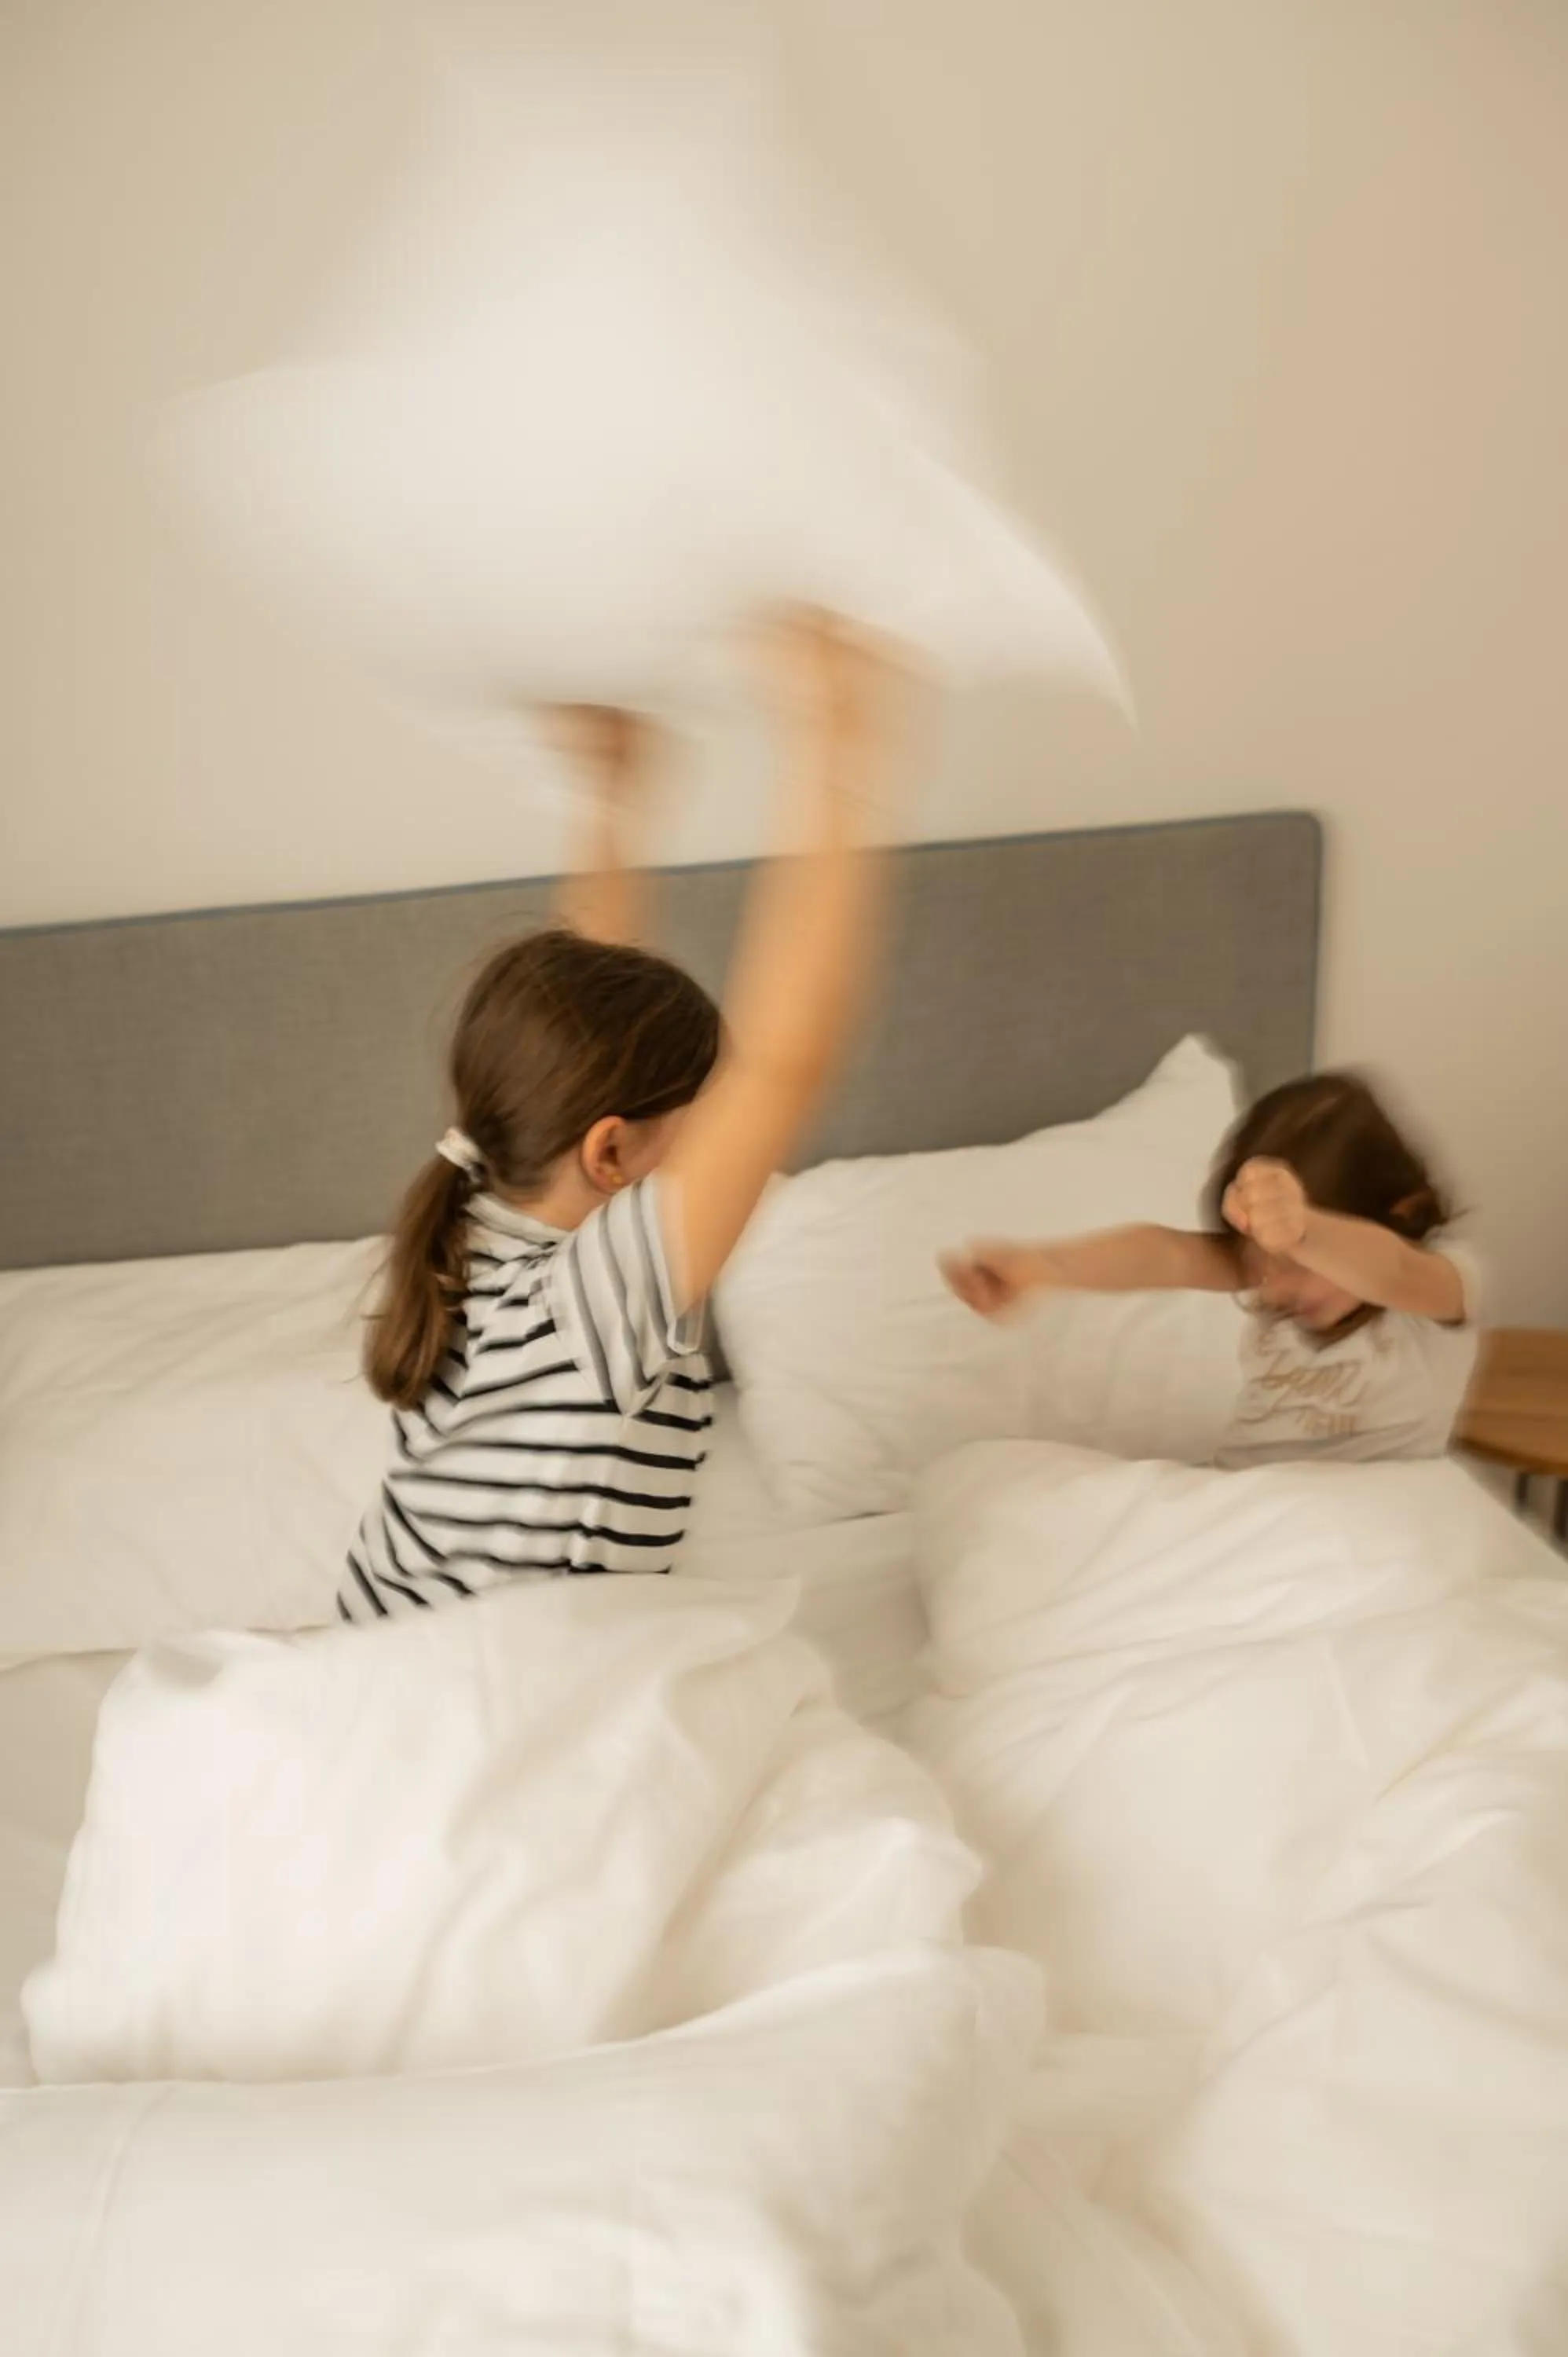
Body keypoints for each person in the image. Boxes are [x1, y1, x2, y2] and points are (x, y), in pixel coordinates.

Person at [338, 613, 910, 1620]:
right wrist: (838, 750)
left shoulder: (479, 1198)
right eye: (701, 1116)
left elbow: (585, 992)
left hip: (375, 1630)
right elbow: (783, 1063)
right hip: (489, 1696)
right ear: (611, 1152)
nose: (720, 1144)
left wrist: (606, 793)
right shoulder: (594, 1298)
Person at [940, 1072, 1480, 1469]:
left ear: (1401, 1212)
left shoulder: (1437, 1288)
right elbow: (1162, 1254)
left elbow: (1388, 1270)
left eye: (1298, 1263)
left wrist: (1306, 1231)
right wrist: (1044, 1266)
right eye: (1261, 1266)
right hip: (1245, 1506)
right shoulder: (1268, 1272)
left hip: (1368, 1525)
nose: (1276, 1287)